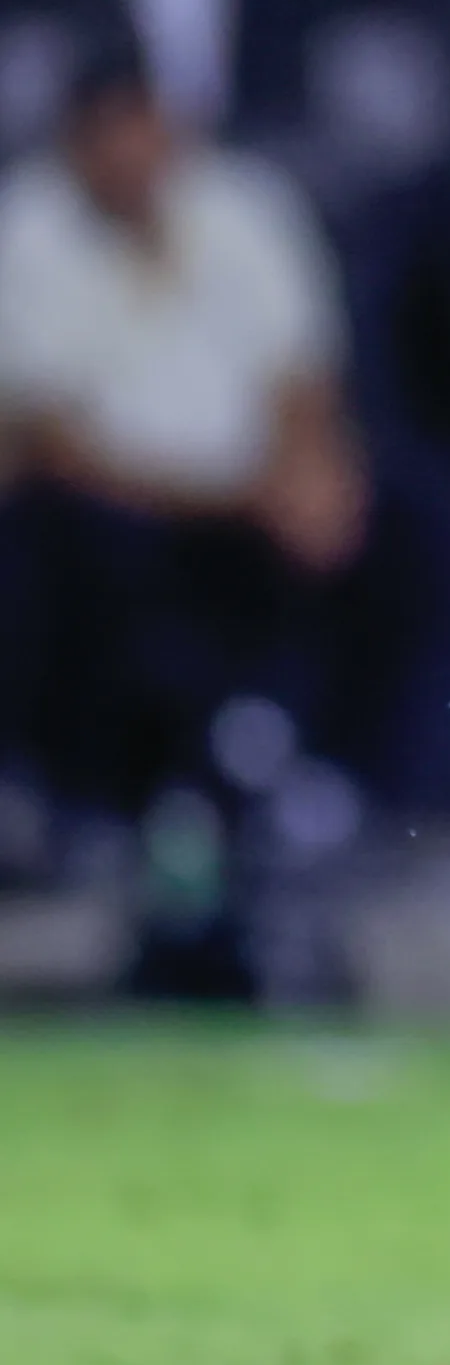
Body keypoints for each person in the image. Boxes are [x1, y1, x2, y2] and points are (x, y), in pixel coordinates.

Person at [0, 47, 369, 826]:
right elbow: (52, 438)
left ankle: (340, 787)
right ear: (74, 144)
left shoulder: (245, 206)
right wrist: (234, 497)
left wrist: (311, 470)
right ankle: (80, 797)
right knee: (63, 547)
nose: (129, 155)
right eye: (106, 137)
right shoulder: (29, 226)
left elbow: (301, 374)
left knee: (420, 520)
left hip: (249, 486)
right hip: (111, 499)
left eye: (143, 129)